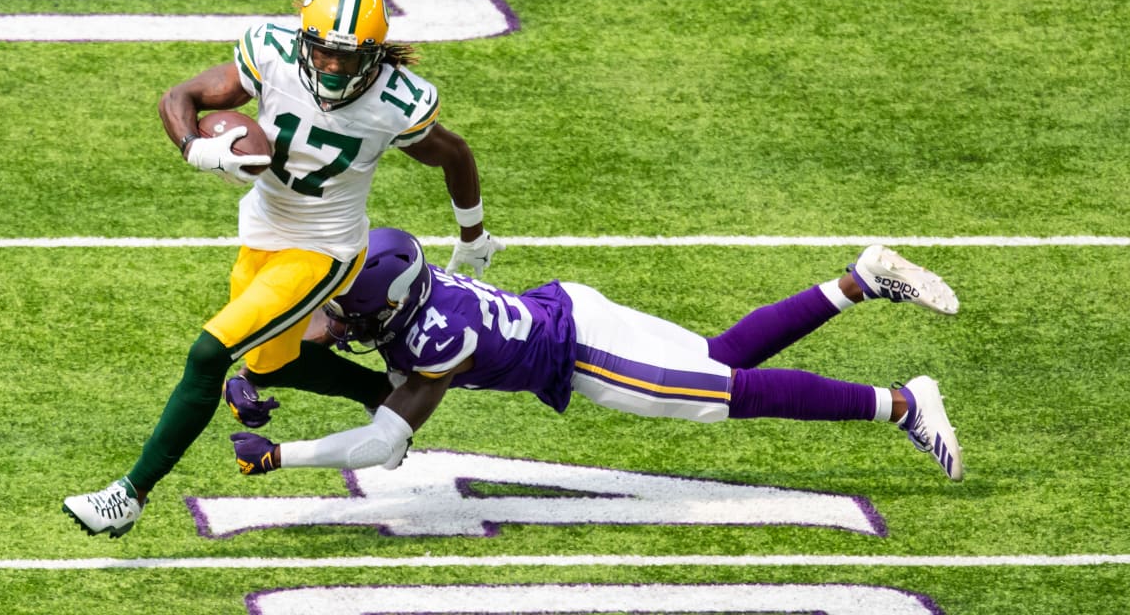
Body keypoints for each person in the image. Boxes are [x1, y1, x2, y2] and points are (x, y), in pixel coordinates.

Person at [63, 0, 505, 538]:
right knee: (275, 361)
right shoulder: (271, 52)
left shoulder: (397, 101)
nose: (333, 68)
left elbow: (455, 154)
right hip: (262, 228)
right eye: (322, 50)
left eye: (349, 58)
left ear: (373, 57)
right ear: (303, 40)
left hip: (324, 250)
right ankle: (386, 396)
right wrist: (194, 147)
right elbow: (179, 97)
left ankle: (128, 494)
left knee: (209, 356)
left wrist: (473, 235)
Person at [228, 228, 965, 484]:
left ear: (382, 308)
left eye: (336, 307)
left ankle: (901, 403)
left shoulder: (431, 340)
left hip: (582, 351)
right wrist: (269, 375)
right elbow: (377, 398)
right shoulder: (405, 298)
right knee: (721, 356)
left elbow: (384, 443)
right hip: (570, 307)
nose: (323, 314)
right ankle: (862, 279)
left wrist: (279, 457)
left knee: (730, 392)